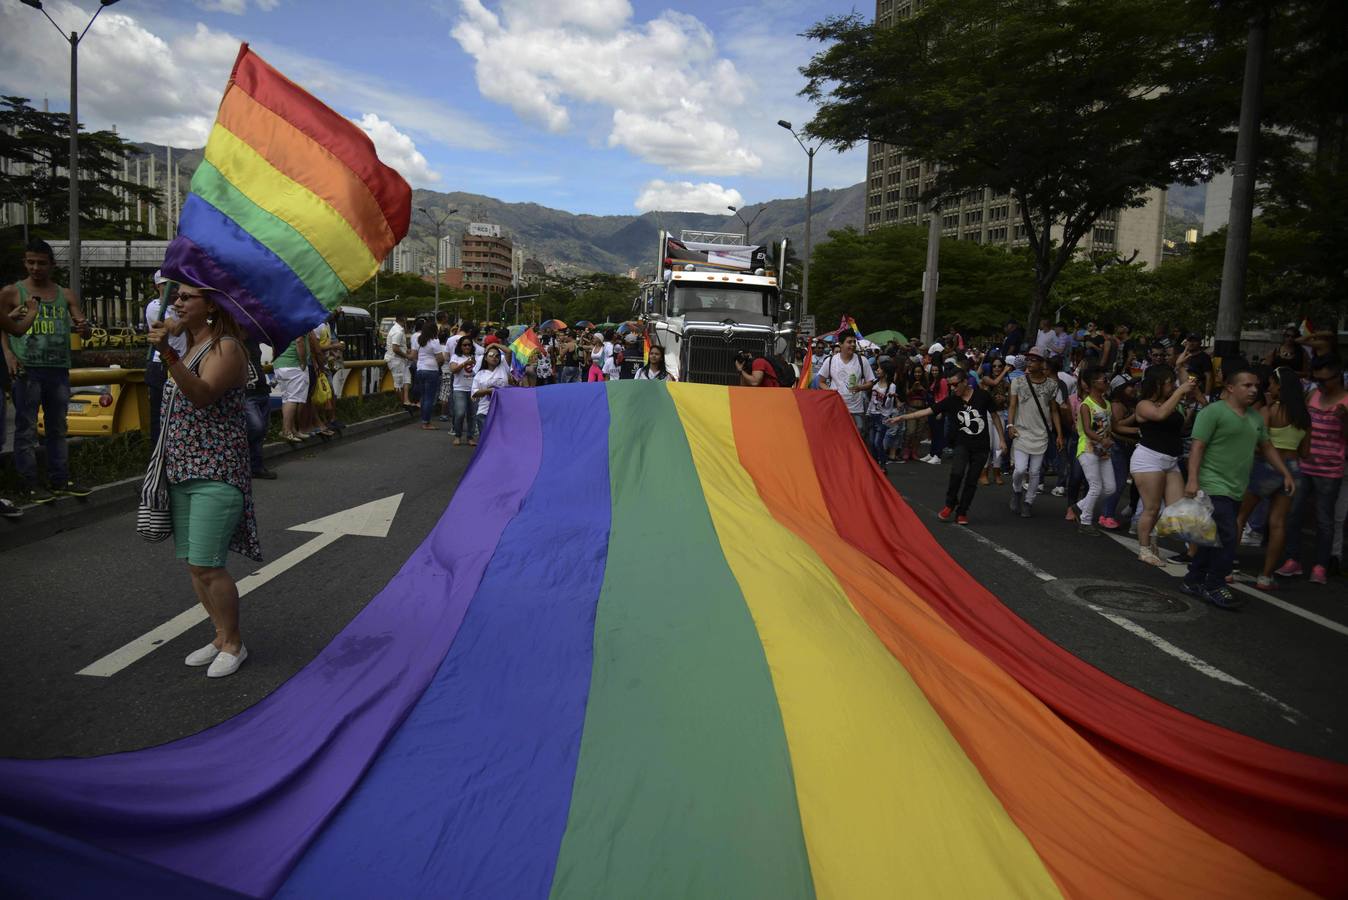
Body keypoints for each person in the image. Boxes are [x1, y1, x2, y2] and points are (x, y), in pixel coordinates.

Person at [148, 284, 261, 678]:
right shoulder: (192, 346)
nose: (176, 302)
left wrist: (166, 353)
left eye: (186, 297)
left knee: (208, 564)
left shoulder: (226, 347)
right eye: (176, 296)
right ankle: (219, 634)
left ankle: (234, 643)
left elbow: (202, 394)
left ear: (210, 305)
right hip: (181, 470)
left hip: (216, 470)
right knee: (194, 567)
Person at [1183, 368, 1295, 608]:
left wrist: (1285, 473)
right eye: (1247, 385)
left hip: (1236, 487)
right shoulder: (1213, 412)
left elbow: (1266, 447)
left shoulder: (1255, 418)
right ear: (1230, 387)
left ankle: (1193, 580)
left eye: (1256, 385)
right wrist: (1192, 479)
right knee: (1229, 536)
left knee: (1211, 537)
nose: (1254, 389)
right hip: (1213, 485)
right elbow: (1197, 447)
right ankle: (1215, 584)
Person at [0, 238, 93, 505]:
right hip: (27, 369)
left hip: (57, 369)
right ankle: (29, 484)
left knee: (57, 428)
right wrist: (7, 353)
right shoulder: (12, 292)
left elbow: (81, 325)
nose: (35, 268)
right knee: (26, 428)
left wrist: (83, 328)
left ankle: (59, 479)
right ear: (24, 262)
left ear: (52, 264)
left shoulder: (65, 294)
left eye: (41, 263)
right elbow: (3, 325)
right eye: (31, 262)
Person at [890, 363, 1004, 525]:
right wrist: (901, 418)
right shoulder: (951, 401)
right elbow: (927, 411)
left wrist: (1002, 439)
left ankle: (962, 511)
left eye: (956, 385)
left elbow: (995, 416)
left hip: (981, 446)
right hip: (962, 444)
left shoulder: (982, 396)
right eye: (950, 385)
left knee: (972, 481)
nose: (953, 388)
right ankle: (950, 504)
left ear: (965, 381)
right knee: (956, 473)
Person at [1232, 368, 1307, 586]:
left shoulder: (1269, 411)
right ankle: (1266, 575)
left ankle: (1227, 566)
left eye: (1272, 384)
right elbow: (1305, 452)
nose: (1268, 388)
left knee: (1240, 516)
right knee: (1278, 523)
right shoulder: (1303, 415)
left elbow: (1258, 443)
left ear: (1280, 386)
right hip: (1293, 469)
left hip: (1266, 467)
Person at [1277, 355, 1348, 584]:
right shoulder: (1313, 395)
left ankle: (1320, 565)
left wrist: (1345, 421)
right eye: (1316, 380)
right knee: (1294, 513)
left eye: (1324, 380)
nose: (1320, 385)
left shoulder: (1346, 402)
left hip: (1330, 469)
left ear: (1338, 377)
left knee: (1325, 519)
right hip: (1304, 464)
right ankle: (1292, 559)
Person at [1131, 364, 1198, 566]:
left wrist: (1182, 370)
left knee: (1176, 509)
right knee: (1151, 508)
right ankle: (1144, 548)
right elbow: (1159, 415)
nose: (1173, 385)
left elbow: (1180, 426)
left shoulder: (1172, 402)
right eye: (1170, 382)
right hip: (1149, 459)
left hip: (1170, 460)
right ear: (1159, 384)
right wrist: (1179, 392)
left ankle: (1152, 539)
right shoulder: (1143, 404)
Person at [1006, 347, 1063, 518]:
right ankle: (1016, 491)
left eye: (1033, 360)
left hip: (1041, 434)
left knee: (1035, 471)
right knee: (1020, 469)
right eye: (1028, 360)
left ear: (1042, 363)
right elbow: (1012, 405)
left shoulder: (1052, 385)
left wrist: (1059, 433)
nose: (1029, 363)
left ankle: (1028, 502)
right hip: (1021, 431)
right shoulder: (1018, 382)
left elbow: (1054, 410)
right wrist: (1010, 425)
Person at [144, 273, 187, 445]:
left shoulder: (181, 306)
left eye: (174, 285)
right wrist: (189, 312)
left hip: (183, 364)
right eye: (165, 284)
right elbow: (175, 330)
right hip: (161, 366)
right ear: (158, 287)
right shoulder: (155, 307)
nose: (171, 289)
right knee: (160, 418)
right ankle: (158, 458)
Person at [1074, 367, 1115, 535]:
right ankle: (1085, 521)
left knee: (1110, 488)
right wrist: (1102, 440)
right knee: (1096, 486)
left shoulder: (1108, 404)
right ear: (1092, 383)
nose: (1107, 382)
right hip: (1088, 448)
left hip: (1102, 451)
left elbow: (1110, 426)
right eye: (1104, 380)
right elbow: (1088, 430)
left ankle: (1080, 506)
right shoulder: (1086, 405)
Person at [818, 333, 875, 433]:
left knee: (857, 434)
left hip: (856, 409)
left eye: (854, 342)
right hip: (836, 408)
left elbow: (870, 382)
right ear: (840, 344)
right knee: (837, 434)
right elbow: (821, 382)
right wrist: (831, 391)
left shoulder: (863, 361)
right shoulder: (830, 361)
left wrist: (860, 387)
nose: (853, 344)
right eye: (849, 342)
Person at [243, 338, 276, 480]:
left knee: (261, 431)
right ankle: (248, 463)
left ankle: (256, 466)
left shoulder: (254, 339)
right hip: (247, 392)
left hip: (262, 389)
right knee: (256, 428)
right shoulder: (231, 340)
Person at [273, 330, 310, 444]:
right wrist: (303, 362)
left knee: (286, 398)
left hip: (280, 365)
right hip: (294, 366)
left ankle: (291, 429)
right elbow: (299, 341)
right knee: (294, 399)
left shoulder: (280, 323)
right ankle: (287, 430)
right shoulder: (298, 322)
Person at [412, 318, 446, 430]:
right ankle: (426, 422)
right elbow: (440, 358)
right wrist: (438, 365)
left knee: (423, 396)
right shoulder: (434, 342)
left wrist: (420, 363)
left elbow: (413, 356)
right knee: (429, 398)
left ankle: (423, 420)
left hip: (420, 370)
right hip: (431, 371)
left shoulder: (418, 340)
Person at [470, 344, 509, 436]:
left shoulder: (503, 368)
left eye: (497, 356)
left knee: (499, 438)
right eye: (491, 355)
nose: (494, 357)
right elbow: (474, 393)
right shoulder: (480, 374)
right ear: (486, 358)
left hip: (502, 411)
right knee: (485, 438)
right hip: (484, 411)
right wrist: (488, 391)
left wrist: (493, 344)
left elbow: (509, 352)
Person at [866, 361, 898, 467]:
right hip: (872, 415)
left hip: (882, 417)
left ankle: (883, 464)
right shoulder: (875, 383)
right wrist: (868, 412)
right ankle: (875, 465)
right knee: (871, 442)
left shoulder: (892, 386)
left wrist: (889, 397)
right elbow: (871, 400)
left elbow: (887, 405)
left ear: (886, 372)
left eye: (879, 369)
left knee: (877, 443)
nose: (877, 370)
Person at [448, 336, 478, 446]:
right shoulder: (456, 357)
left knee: (472, 414)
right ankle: (457, 435)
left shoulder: (476, 357)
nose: (467, 347)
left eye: (469, 345)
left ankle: (470, 437)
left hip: (474, 390)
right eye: (464, 345)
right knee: (460, 413)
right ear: (460, 346)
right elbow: (453, 370)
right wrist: (465, 363)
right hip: (459, 389)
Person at [384, 313, 412, 409]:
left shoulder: (398, 329)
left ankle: (406, 401)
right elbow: (395, 348)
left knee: (406, 379)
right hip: (396, 360)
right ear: (404, 320)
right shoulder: (398, 332)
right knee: (398, 384)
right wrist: (407, 356)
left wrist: (406, 351)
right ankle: (403, 404)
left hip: (400, 359)